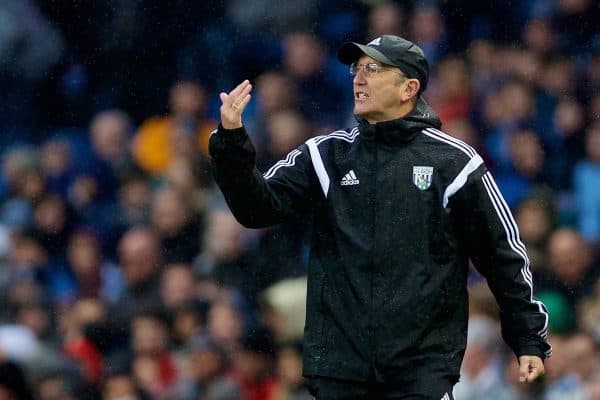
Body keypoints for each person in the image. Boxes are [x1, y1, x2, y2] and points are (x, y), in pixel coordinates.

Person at [209, 35, 551, 399]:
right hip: (339, 369)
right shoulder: (327, 156)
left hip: (421, 370)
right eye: (356, 69)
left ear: (409, 88)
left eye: (373, 69)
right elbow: (257, 209)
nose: (358, 78)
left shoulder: (454, 163)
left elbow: (502, 255)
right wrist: (231, 145)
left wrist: (527, 335)